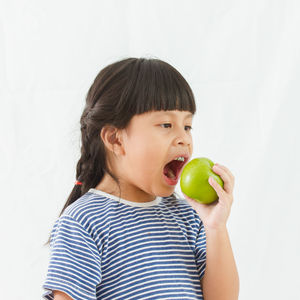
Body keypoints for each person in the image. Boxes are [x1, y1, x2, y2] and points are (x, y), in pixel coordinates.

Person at [42, 57, 239, 300]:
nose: (184, 139)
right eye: (167, 124)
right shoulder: (84, 223)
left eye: (187, 126)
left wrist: (215, 227)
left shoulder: (187, 217)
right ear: (115, 139)